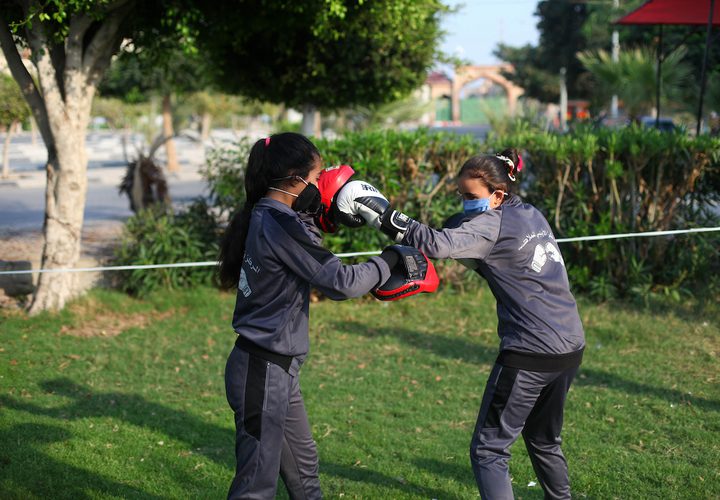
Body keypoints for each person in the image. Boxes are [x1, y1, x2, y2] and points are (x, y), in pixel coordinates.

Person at [334, 148, 586, 500]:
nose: (466, 201)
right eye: (461, 194)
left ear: (497, 195)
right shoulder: (530, 214)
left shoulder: (490, 223)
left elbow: (437, 245)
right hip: (571, 344)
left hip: (531, 352)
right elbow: (477, 244)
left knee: (489, 449)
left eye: (471, 196)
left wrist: (383, 214)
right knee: (544, 438)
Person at [217, 132, 434, 499]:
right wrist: (390, 259)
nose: (320, 186)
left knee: (304, 474)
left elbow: (305, 250)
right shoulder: (278, 224)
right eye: (317, 179)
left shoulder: (271, 215)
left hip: (279, 368)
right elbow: (340, 282)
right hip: (262, 369)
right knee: (256, 486)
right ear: (294, 178)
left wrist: (325, 215)